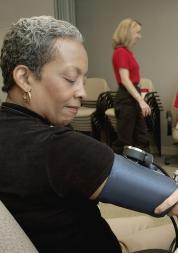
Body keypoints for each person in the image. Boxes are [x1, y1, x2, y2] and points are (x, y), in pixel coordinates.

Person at [0, 15, 178, 253]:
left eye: (83, 80)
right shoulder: (61, 148)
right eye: (71, 79)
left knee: (149, 222)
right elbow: (170, 197)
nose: (82, 91)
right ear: (24, 77)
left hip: (60, 233)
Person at [112, 18, 151, 154]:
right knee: (124, 141)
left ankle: (141, 171)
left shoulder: (127, 53)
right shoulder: (121, 52)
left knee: (141, 137)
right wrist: (141, 101)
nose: (139, 36)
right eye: (137, 32)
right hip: (126, 99)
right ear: (128, 33)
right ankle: (115, 172)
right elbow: (125, 79)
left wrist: (140, 97)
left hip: (132, 96)